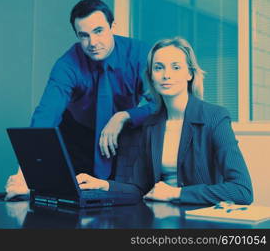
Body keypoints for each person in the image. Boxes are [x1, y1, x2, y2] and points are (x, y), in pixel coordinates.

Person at [5, 0, 154, 200]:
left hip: (122, 133)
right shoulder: (67, 64)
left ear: (113, 27)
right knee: (70, 199)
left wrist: (124, 116)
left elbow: (159, 104)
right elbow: (46, 115)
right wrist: (24, 173)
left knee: (119, 196)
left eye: (99, 31)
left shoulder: (138, 54)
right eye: (84, 35)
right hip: (78, 134)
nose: (92, 43)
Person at [77, 36, 253, 205]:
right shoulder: (151, 124)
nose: (166, 75)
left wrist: (175, 193)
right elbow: (139, 188)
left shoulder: (215, 117)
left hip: (201, 221)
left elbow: (242, 190)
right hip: (163, 218)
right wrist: (102, 184)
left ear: (189, 74)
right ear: (151, 77)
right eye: (159, 68)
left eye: (176, 67)